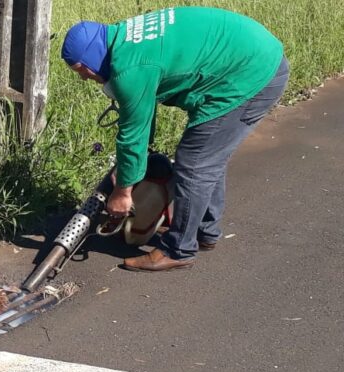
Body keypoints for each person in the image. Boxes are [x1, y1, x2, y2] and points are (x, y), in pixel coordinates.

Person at [61, 6, 289, 272]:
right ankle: (204, 230)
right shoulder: (122, 37)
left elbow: (133, 133)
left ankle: (179, 249)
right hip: (251, 54)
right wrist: (129, 172)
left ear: (93, 56)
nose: (84, 77)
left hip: (251, 74)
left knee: (195, 162)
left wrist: (123, 193)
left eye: (82, 70)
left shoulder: (130, 69)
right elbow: (142, 119)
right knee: (206, 156)